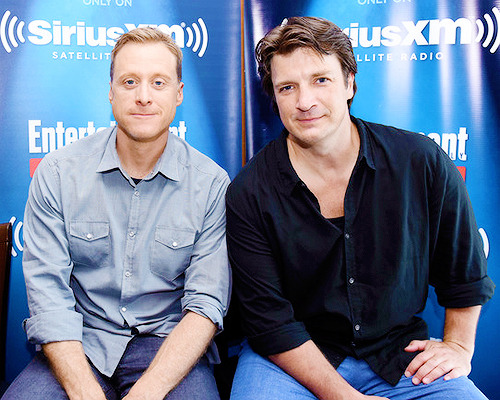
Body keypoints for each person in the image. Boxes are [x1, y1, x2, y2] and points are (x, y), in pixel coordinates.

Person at [226, 16, 495, 400]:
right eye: (288, 87)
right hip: (289, 359)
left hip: (399, 356)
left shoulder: (420, 161)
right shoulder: (248, 192)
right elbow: (270, 322)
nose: (305, 101)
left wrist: (459, 347)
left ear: (350, 83)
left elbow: (464, 273)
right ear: (275, 98)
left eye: (321, 80)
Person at [4, 27, 230, 400]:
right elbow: (49, 296)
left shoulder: (210, 184)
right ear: (111, 92)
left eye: (158, 82)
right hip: (80, 343)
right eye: (129, 82)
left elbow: (206, 304)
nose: (143, 96)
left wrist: (151, 390)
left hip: (167, 346)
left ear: (178, 95)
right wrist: (81, 389)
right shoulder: (58, 173)